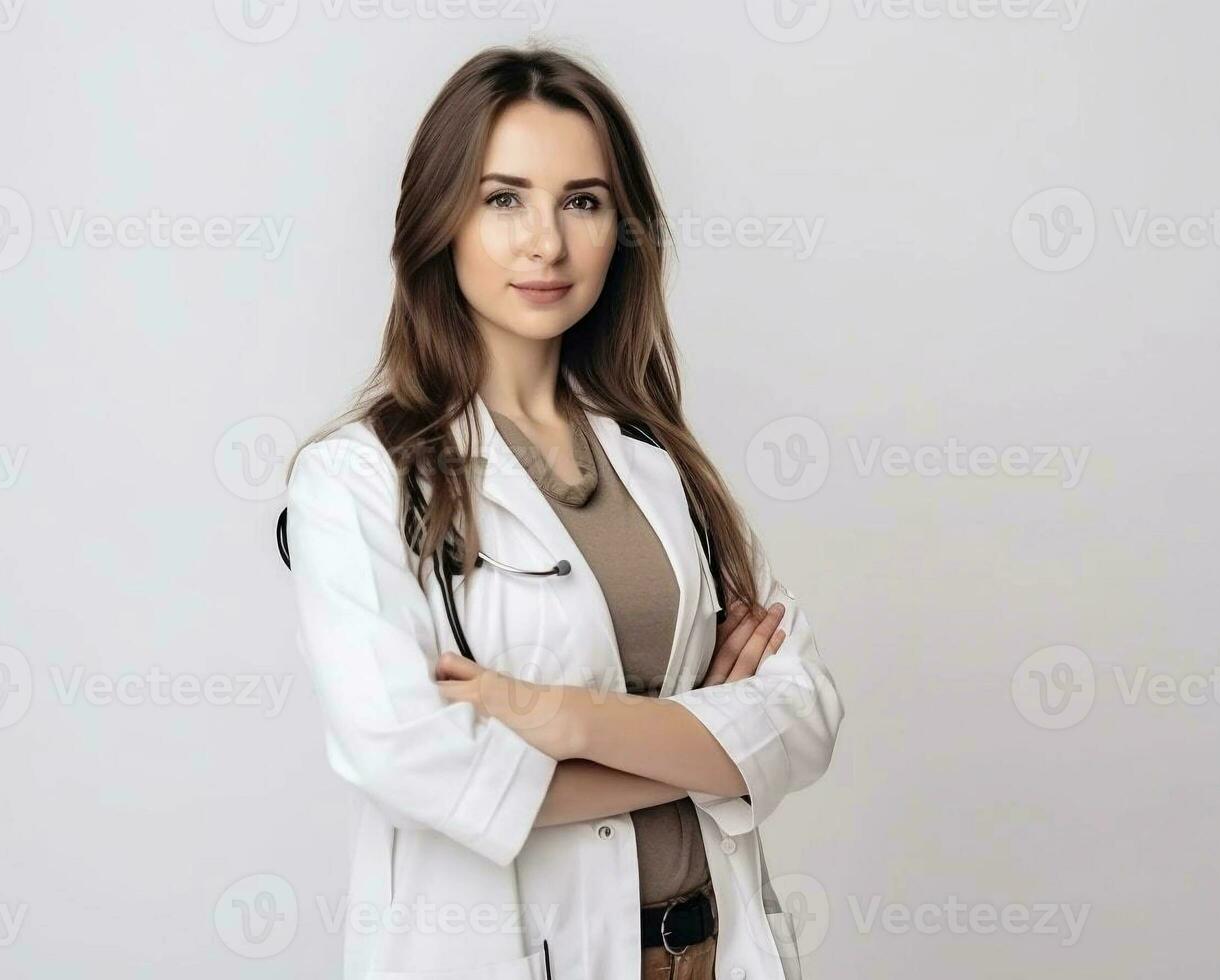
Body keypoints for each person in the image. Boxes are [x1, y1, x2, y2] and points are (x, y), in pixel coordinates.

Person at [284, 43, 843, 980]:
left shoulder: (661, 459)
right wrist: (707, 739)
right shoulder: (358, 481)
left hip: (707, 952)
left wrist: (566, 719)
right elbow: (416, 762)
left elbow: (805, 716)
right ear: (440, 220)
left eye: (581, 201)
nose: (545, 241)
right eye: (503, 198)